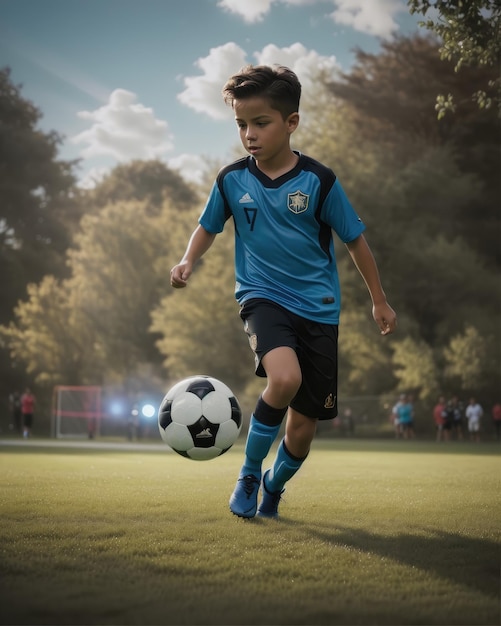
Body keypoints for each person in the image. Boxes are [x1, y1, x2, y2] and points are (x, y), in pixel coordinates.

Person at [170, 65, 397, 519]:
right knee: (284, 379)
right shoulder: (232, 180)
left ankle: (273, 485)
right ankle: (250, 474)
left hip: (319, 309)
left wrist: (379, 298)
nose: (249, 134)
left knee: (303, 429)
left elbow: (355, 240)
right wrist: (187, 259)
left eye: (260, 122)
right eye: (241, 124)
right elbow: (207, 226)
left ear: (291, 122)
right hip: (262, 296)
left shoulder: (319, 181)